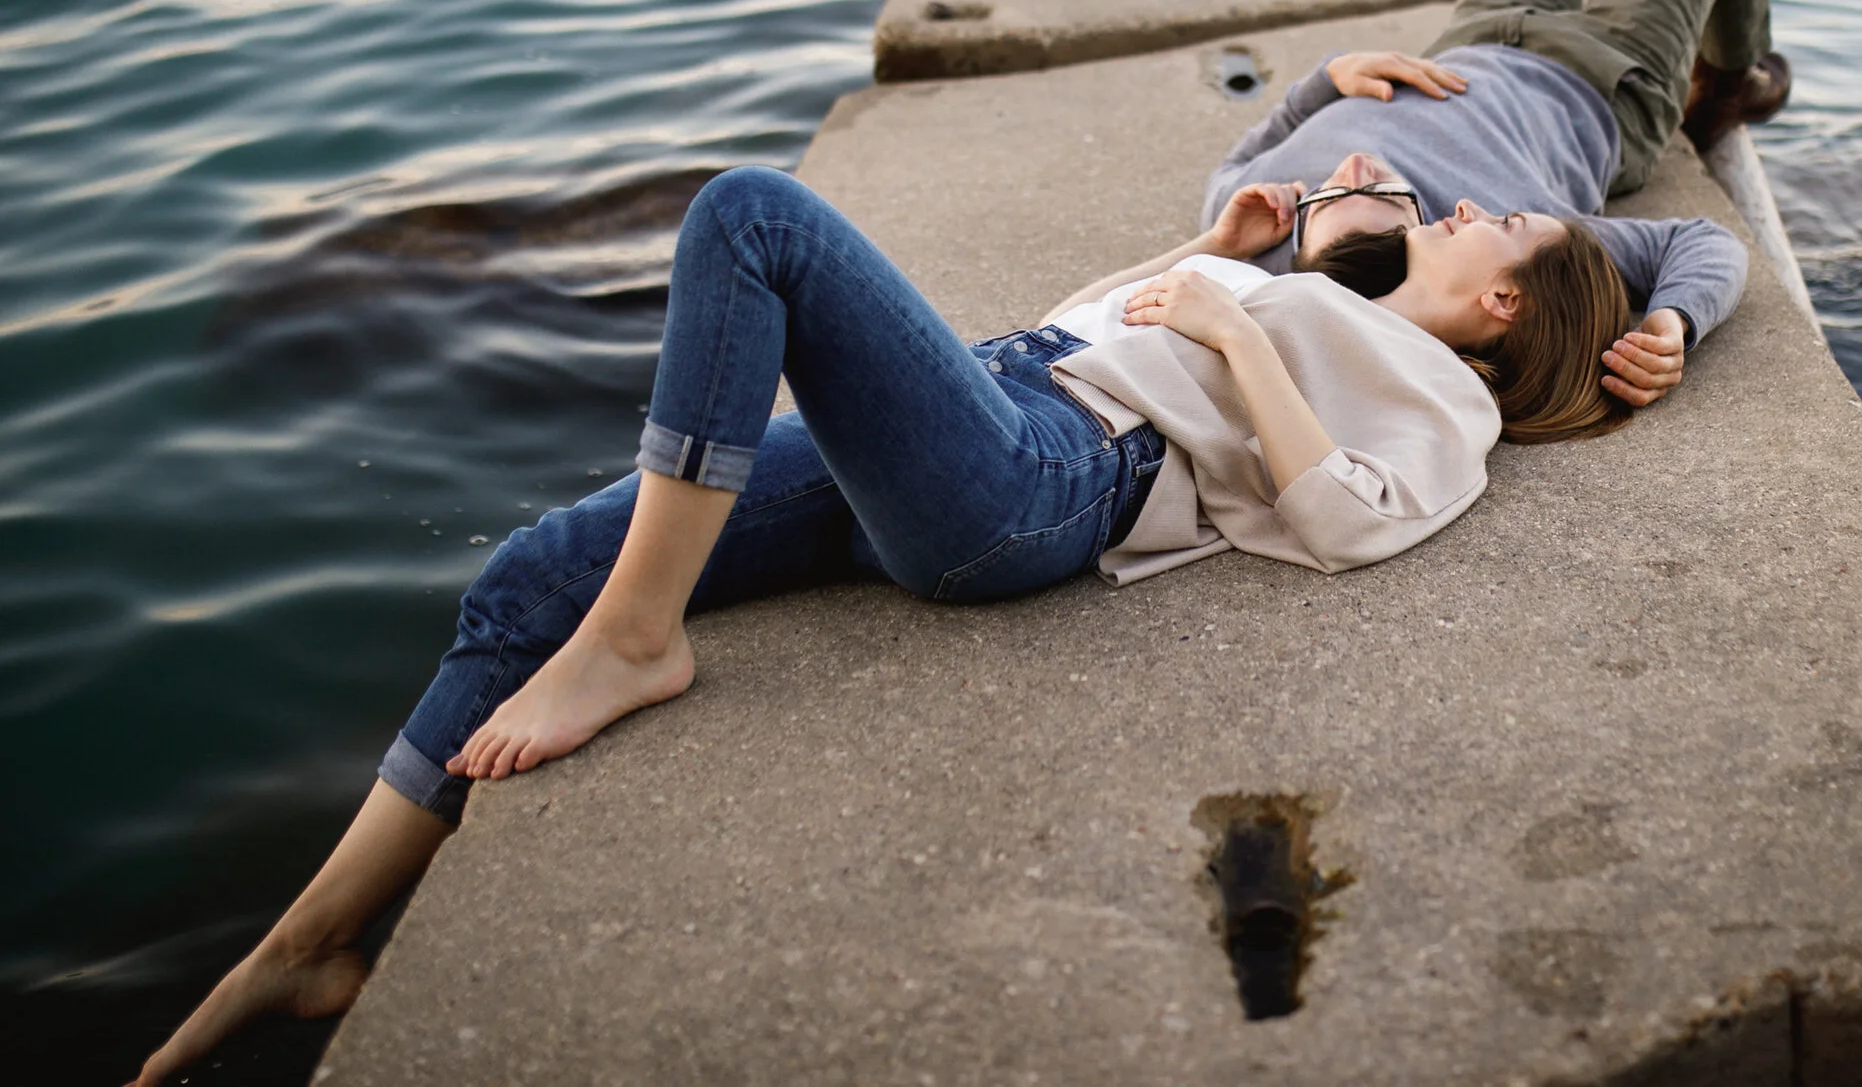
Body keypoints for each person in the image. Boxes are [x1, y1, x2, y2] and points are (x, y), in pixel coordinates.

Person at [132, 157, 1632, 1084]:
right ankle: (311, 939)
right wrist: (1223, 255)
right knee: (533, 571)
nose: (1465, 211)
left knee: (752, 216)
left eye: (1501, 226)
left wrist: (1241, 321)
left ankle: (640, 642)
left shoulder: (1441, 392)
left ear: (1510, 303)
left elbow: (1354, 518)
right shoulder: (1325, 295)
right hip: (1002, 402)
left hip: (1045, 479)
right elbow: (1091, 324)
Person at [1205, 0, 1788, 412]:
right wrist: (1673, 321)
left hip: (1478, 32)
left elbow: (1235, 166)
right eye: (1385, 187)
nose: (1356, 163)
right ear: (1413, 227)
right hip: (1609, 76)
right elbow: (1703, 243)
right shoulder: (1502, 240)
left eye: (1334, 186)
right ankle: (1730, 74)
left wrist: (1327, 81)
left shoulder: (1263, 216)